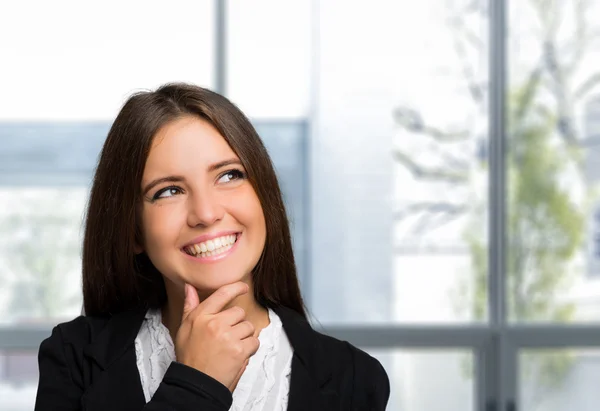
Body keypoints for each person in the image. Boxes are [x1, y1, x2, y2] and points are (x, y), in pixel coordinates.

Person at [34, 83, 390, 411]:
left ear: (263, 195)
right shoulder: (73, 358)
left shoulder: (355, 379)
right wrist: (197, 384)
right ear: (134, 233)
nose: (205, 213)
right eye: (168, 191)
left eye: (229, 175)